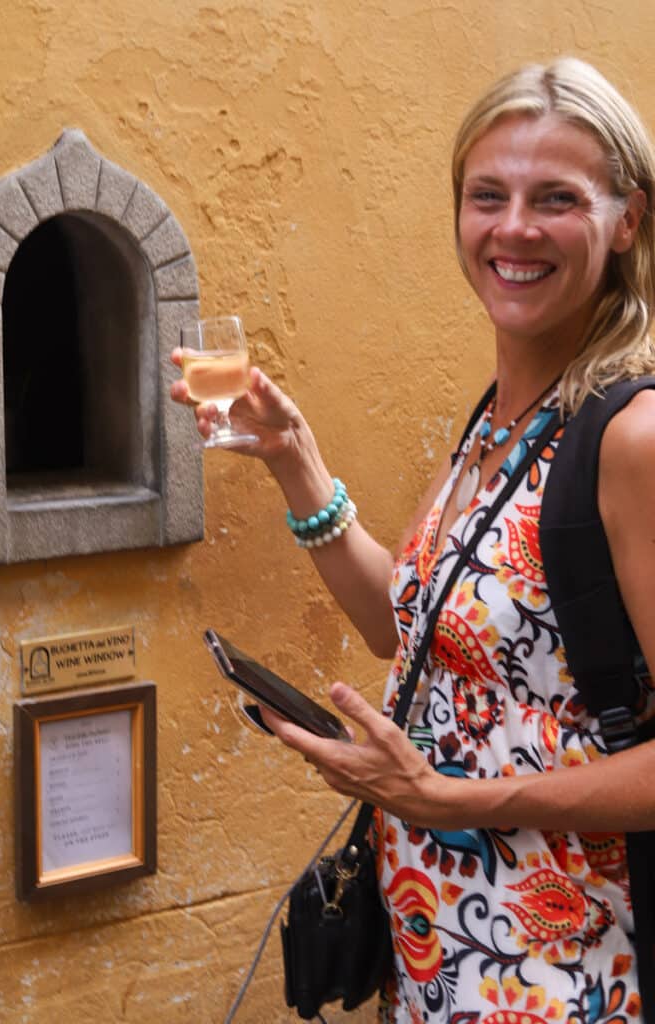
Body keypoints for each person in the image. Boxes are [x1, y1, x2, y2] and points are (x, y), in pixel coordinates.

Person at [171, 57, 655, 1023]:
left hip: (567, 974)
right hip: (441, 952)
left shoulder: (632, 437)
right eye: (488, 195)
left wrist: (446, 797)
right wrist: (295, 461)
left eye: (555, 198)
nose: (513, 227)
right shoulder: (502, 418)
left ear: (627, 220)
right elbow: (410, 630)